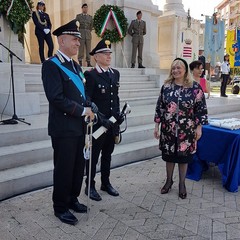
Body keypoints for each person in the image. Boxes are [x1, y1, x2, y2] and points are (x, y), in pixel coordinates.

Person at [42, 19, 95, 225]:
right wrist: (83, 110)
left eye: (78, 40)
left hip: (80, 127)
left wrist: (90, 105)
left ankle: (72, 199)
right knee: (64, 168)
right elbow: (56, 98)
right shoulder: (51, 65)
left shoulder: (74, 65)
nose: (77, 43)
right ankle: (60, 206)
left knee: (77, 167)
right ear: (62, 40)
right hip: (64, 128)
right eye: (74, 39)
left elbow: (81, 93)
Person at [153, 58, 208, 199]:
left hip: (187, 130)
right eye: (174, 68)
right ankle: (169, 180)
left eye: (179, 68)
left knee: (184, 158)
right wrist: (156, 125)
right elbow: (160, 107)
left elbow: (201, 109)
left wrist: (199, 128)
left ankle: (182, 183)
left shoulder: (195, 88)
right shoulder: (166, 87)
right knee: (169, 157)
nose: (176, 70)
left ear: (185, 70)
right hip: (168, 129)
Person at [84, 39, 124, 201]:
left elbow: (116, 97)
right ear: (95, 57)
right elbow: (87, 100)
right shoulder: (91, 75)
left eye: (109, 53)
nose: (108, 56)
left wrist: (118, 116)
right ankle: (89, 186)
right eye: (104, 53)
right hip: (98, 125)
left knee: (108, 154)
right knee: (94, 156)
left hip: (112, 123)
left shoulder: (115, 73)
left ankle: (105, 183)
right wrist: (100, 119)